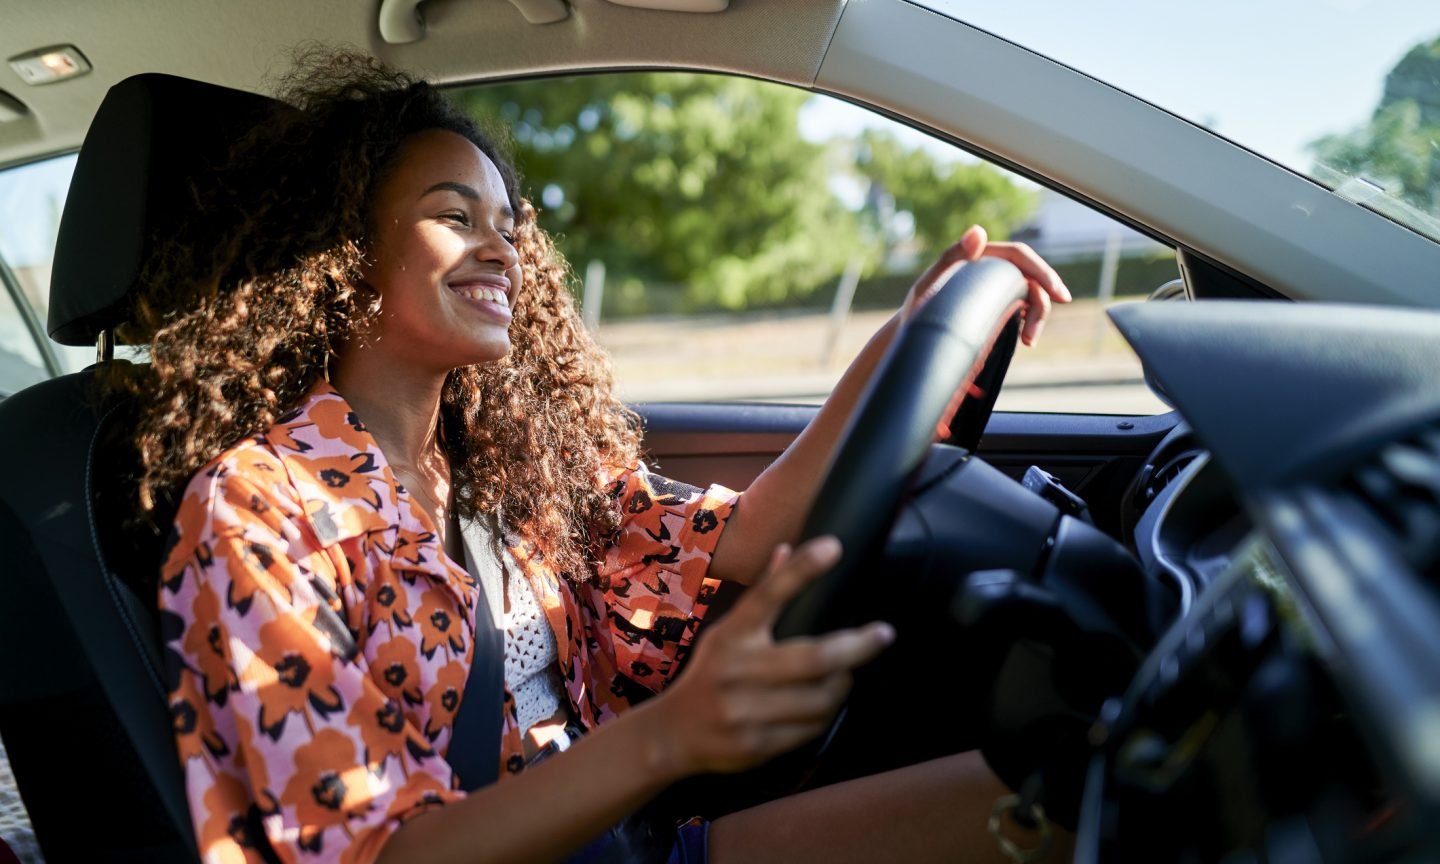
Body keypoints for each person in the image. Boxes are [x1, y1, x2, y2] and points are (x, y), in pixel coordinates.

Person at [129, 51, 1073, 864]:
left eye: (509, 223)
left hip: (628, 841)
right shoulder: (256, 507)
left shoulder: (507, 470)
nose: (503, 250)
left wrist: (906, 337)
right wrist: (670, 736)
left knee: (1082, 792)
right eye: (456, 217)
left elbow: (748, 535)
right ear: (343, 256)